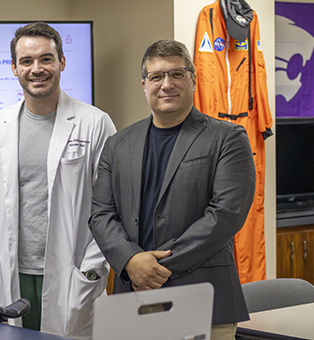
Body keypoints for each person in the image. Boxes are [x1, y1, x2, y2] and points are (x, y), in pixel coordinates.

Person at [89, 39, 255, 340]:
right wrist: (130, 261)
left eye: (177, 74)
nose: (167, 84)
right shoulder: (118, 145)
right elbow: (101, 214)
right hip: (134, 299)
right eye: (157, 76)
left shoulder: (227, 138)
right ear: (144, 85)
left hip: (204, 299)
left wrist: (152, 267)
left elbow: (226, 214)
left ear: (192, 79)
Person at [0, 22, 116, 340]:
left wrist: (91, 268)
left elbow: (110, 206)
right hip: (13, 274)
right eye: (26, 61)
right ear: (14, 68)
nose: (37, 69)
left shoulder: (95, 123)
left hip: (74, 273)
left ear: (61, 62)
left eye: (46, 59)